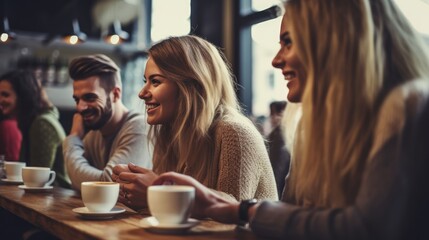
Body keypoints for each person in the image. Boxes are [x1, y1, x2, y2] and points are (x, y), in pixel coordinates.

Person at [152, 0, 429, 239]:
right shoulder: (311, 127)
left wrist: (239, 209)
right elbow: (292, 217)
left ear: (336, 40)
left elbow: (367, 230)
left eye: (289, 42)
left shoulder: (408, 105)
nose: (275, 60)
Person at [113, 35, 278, 211]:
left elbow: (231, 217)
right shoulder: (168, 134)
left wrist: (157, 192)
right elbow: (172, 214)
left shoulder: (235, 132)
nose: (142, 93)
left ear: (192, 85)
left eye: (155, 81)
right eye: (146, 81)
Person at [63, 54, 152, 191]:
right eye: (77, 100)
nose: (80, 107)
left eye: (90, 97)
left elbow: (107, 186)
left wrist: (73, 139)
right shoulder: (94, 135)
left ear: (115, 94)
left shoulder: (139, 127)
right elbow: (75, 179)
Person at [0, 70, 69, 188]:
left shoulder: (41, 123)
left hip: (57, 197)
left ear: (23, 96)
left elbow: (37, 180)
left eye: (5, 95)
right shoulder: (30, 122)